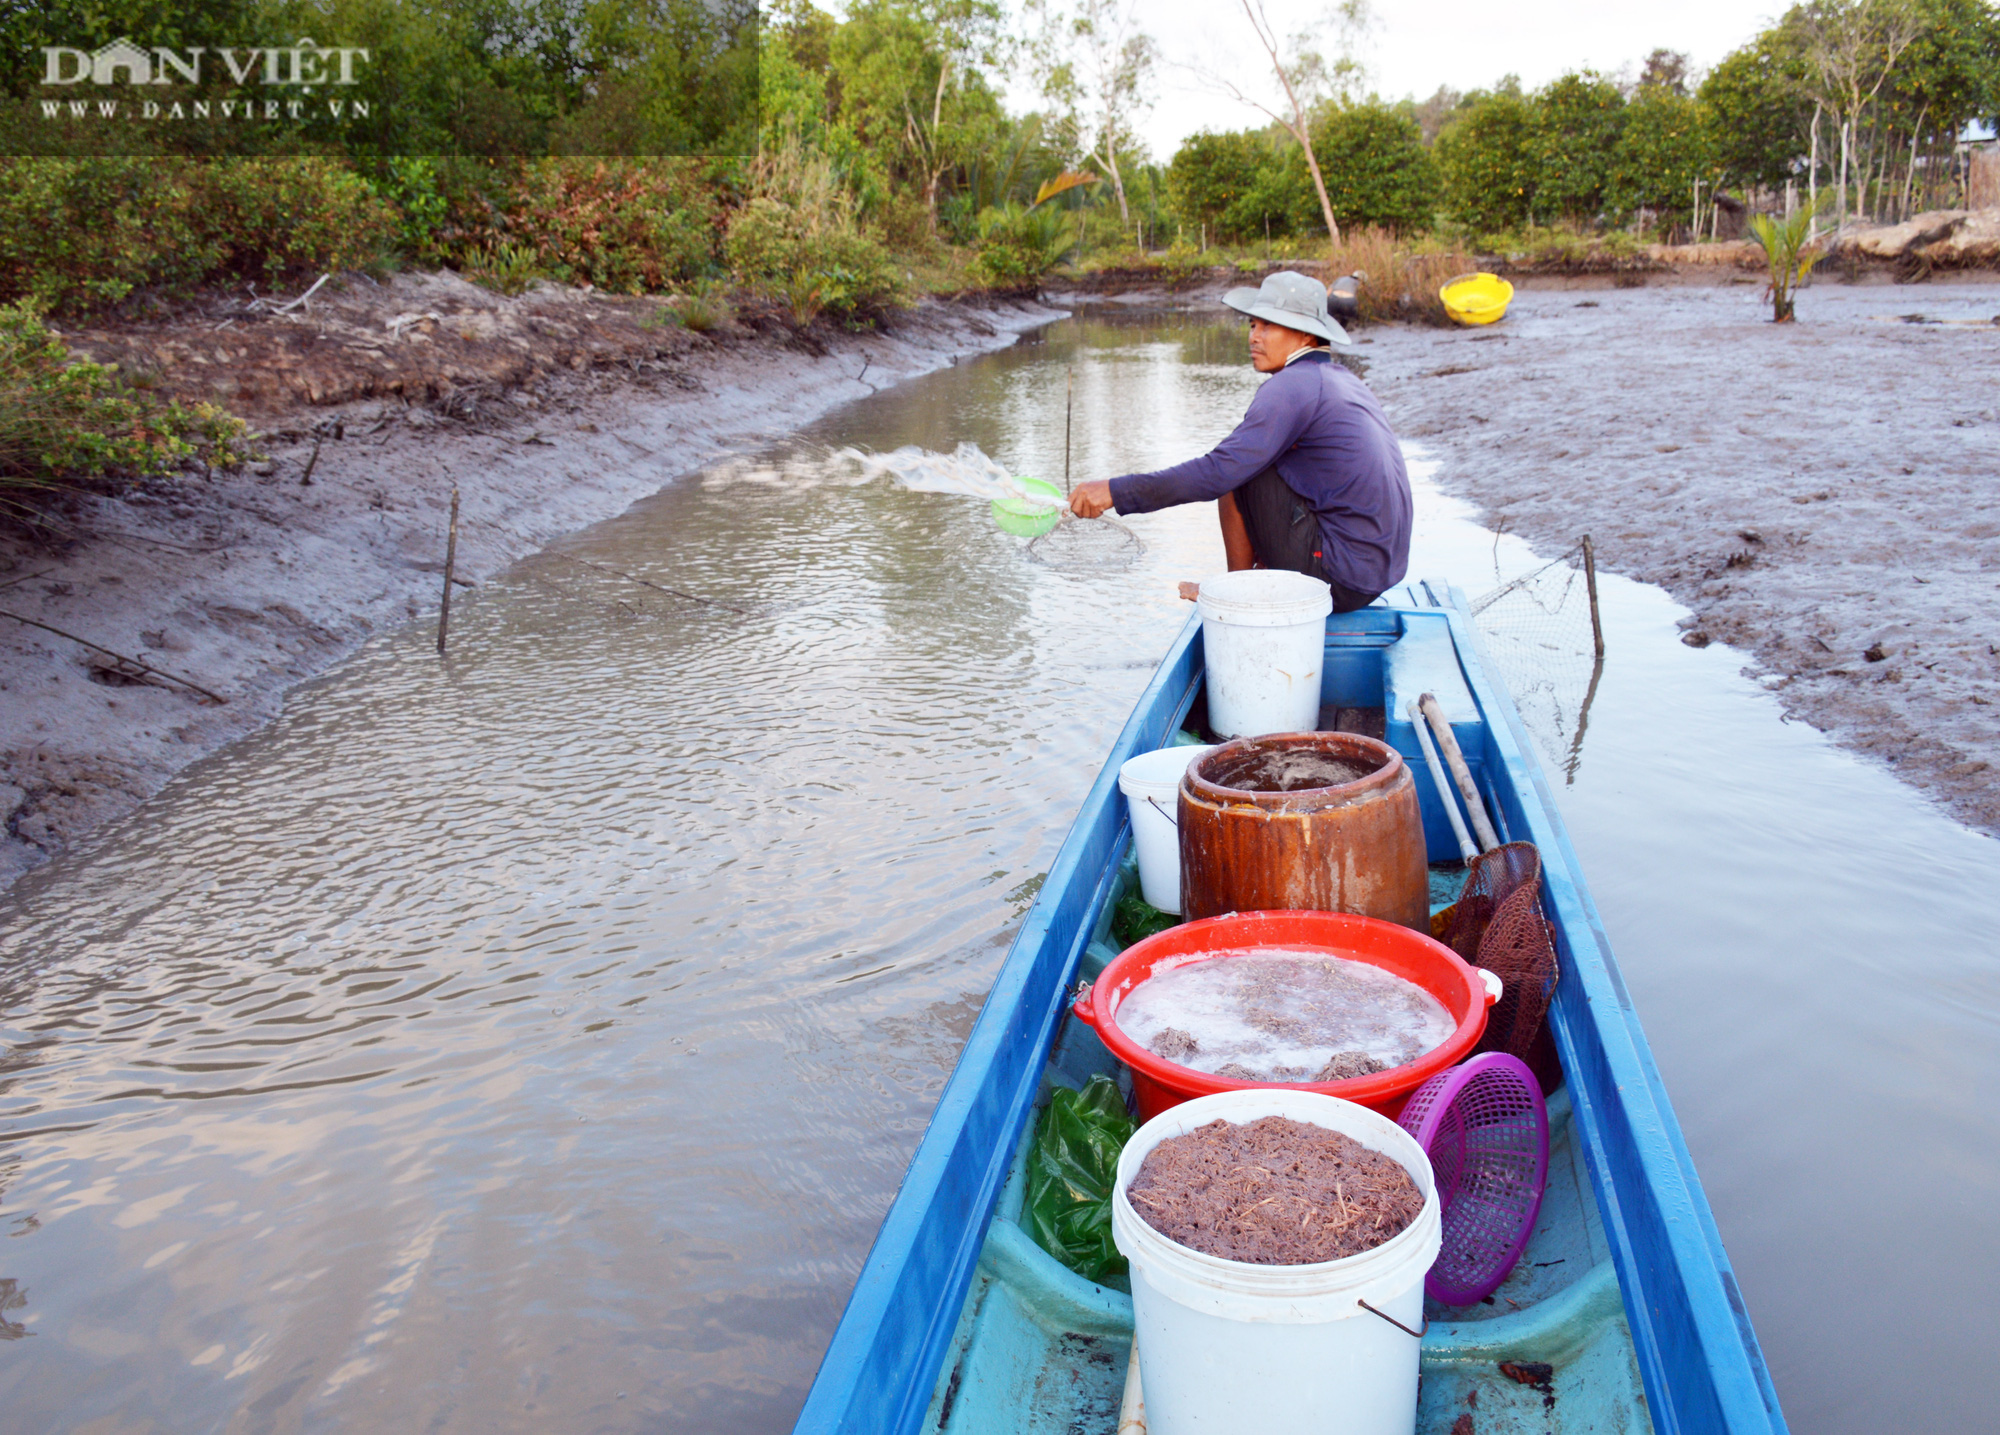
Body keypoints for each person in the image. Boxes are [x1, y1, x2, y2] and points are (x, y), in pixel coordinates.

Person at [1068, 271, 1413, 612]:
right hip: (1376, 576)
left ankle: (1238, 593)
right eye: (1252, 326)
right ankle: (1252, 581)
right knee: (1247, 457)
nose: (1254, 337)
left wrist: (1116, 490)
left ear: (1306, 336)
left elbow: (1218, 473)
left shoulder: (1291, 386)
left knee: (1236, 469)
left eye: (1268, 326)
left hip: (1339, 581)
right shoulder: (1342, 380)